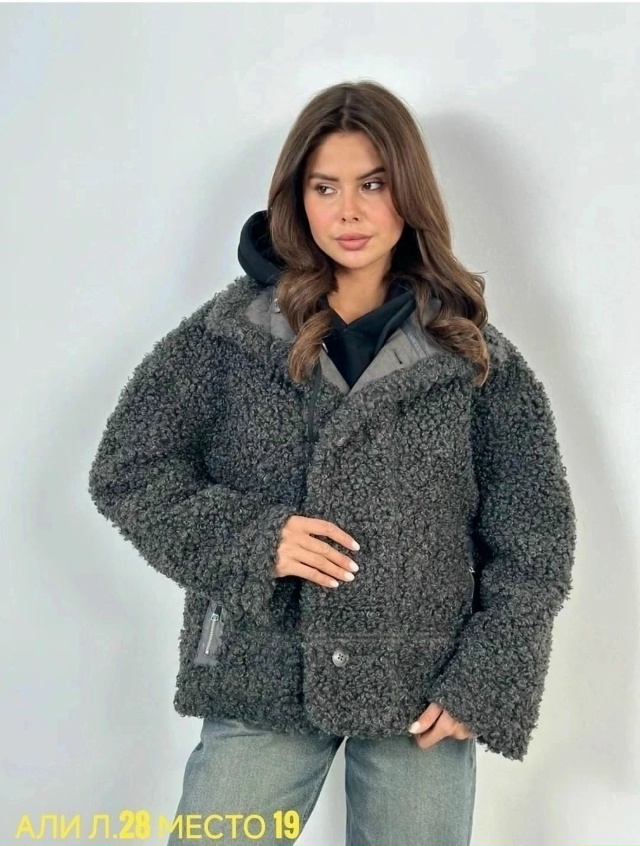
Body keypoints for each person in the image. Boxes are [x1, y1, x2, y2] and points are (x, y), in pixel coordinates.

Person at [87, 80, 577, 846]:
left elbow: (536, 538)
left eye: (372, 184)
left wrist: (487, 677)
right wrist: (256, 541)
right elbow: (127, 469)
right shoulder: (230, 334)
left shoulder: (473, 357)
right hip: (262, 667)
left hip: (422, 684)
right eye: (326, 187)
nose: (349, 211)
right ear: (298, 198)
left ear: (408, 193)